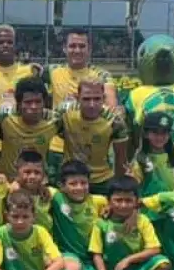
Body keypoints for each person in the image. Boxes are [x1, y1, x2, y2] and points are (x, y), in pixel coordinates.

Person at [87, 176, 170, 270]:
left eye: (128, 201)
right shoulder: (101, 223)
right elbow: (96, 254)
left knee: (162, 263)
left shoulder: (142, 220)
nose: (123, 205)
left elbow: (155, 249)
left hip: (137, 269)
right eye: (118, 200)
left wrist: (129, 260)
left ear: (136, 202)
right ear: (109, 201)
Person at [43, 29, 118, 175]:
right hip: (57, 147)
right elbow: (26, 72)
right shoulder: (52, 71)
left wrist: (79, 105)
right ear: (64, 48)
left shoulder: (101, 75)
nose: (77, 50)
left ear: (89, 49)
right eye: (72, 46)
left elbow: (111, 106)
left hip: (93, 147)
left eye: (82, 46)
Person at [48, 160, 108, 270]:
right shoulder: (56, 197)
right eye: (73, 184)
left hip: (90, 263)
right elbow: (28, 187)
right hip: (66, 257)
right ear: (62, 186)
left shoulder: (98, 201)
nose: (79, 187)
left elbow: (125, 203)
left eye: (83, 183)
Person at [58, 79, 129, 194]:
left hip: (102, 180)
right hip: (71, 178)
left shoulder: (115, 122)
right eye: (86, 99)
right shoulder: (64, 113)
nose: (92, 104)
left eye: (97, 99)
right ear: (77, 98)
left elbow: (121, 158)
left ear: (103, 98)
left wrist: (119, 187)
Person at [0, 76, 60, 179]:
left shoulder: (55, 121)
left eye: (38, 102)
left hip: (37, 182)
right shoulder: (5, 117)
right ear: (19, 103)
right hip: (7, 181)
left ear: (44, 102)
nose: (33, 106)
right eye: (28, 102)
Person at [0, 24, 41, 117]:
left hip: (19, 128)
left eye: (10, 42)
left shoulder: (29, 71)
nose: (5, 45)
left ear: (15, 45)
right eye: (0, 42)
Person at [130, 111, 174, 197]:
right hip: (148, 207)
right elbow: (133, 188)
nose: (159, 137)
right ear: (145, 134)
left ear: (169, 134)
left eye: (164, 132)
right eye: (155, 132)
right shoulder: (140, 160)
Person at [14, 150, 54, 231]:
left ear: (43, 174)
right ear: (17, 172)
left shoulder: (49, 194)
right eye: (27, 172)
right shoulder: (10, 192)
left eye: (37, 172)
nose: (32, 176)